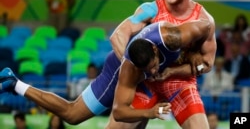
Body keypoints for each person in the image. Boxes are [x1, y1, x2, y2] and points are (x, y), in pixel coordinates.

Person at [0, 19, 210, 128]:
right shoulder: (129, 69)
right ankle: (15, 83)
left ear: (156, 50)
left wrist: (195, 53)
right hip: (114, 71)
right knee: (72, 115)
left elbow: (207, 26)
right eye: (147, 70)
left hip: (153, 64)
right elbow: (119, 111)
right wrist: (151, 112)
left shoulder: (173, 36)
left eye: (154, 66)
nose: (154, 71)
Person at [109, 0, 217, 128]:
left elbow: (207, 65)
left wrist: (173, 71)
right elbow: (118, 36)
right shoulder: (151, 10)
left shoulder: (203, 21)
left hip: (180, 83)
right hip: (148, 82)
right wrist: (134, 66)